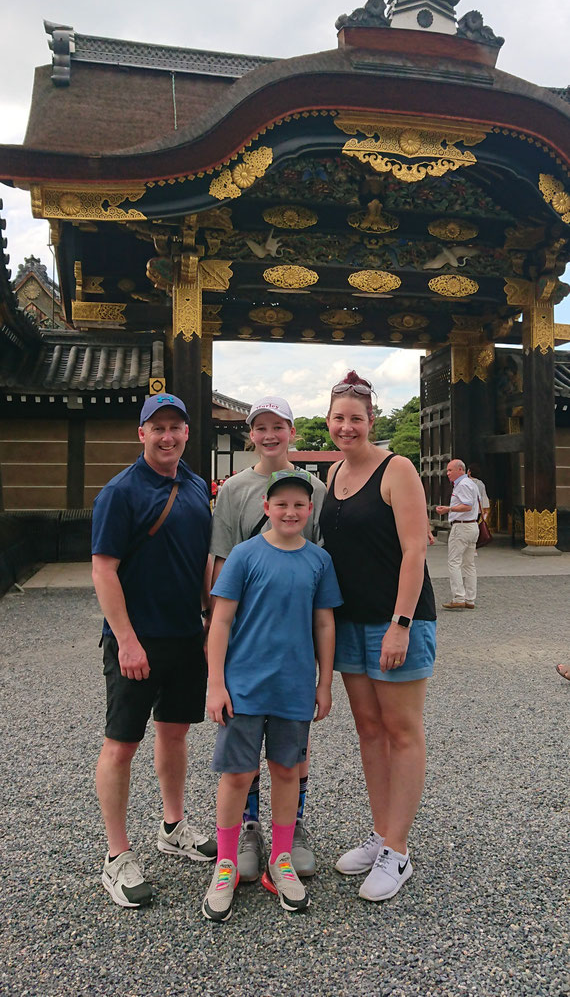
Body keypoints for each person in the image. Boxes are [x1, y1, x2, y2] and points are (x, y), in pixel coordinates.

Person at [91, 393, 216, 908]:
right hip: (136, 639)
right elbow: (103, 568)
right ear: (141, 433)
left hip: (186, 634)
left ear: (187, 433)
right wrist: (125, 639)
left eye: (176, 427)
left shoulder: (193, 484)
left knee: (175, 732)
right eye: (157, 427)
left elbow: (203, 560)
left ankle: (172, 825)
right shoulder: (120, 492)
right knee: (121, 743)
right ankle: (116, 856)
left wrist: (212, 620)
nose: (168, 436)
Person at [203, 469, 342, 922]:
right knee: (237, 775)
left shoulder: (318, 562)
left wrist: (324, 683)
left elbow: (324, 622)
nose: (290, 511)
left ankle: (280, 858)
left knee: (286, 770)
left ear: (310, 510)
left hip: (294, 685)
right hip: (243, 685)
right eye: (281, 504)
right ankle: (226, 860)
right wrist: (216, 682)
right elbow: (220, 621)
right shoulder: (244, 555)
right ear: (266, 508)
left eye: (299, 505)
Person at [320, 371, 436, 902]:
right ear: (328, 422)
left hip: (397, 620)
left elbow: (415, 550)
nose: (347, 427)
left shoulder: (397, 468)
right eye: (339, 418)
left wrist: (401, 623)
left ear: (371, 421)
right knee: (369, 730)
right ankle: (380, 831)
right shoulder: (333, 474)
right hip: (349, 620)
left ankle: (399, 850)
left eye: (356, 418)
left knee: (402, 730)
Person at [210, 396, 327, 883]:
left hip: (293, 640)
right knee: (242, 748)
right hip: (245, 636)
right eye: (261, 427)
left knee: (289, 749)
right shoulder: (235, 489)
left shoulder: (316, 488)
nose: (270, 434)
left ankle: (290, 828)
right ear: (250, 434)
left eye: (279, 425)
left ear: (293, 431)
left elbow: (318, 563)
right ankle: (248, 828)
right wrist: (212, 631)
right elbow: (220, 558)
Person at [436, 459, 480, 611]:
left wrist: (449, 509)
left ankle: (458, 597)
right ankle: (470, 599)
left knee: (454, 562)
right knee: (469, 563)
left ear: (460, 469)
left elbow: (467, 506)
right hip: (473, 525)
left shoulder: (462, 485)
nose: (447, 473)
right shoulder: (471, 484)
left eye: (450, 470)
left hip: (461, 527)